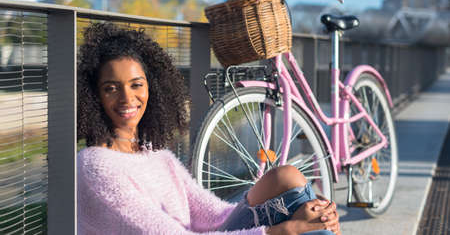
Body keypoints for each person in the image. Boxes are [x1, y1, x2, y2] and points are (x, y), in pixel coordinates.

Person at [77, 22, 340, 235]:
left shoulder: (154, 154)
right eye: (111, 88)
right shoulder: (97, 166)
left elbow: (214, 215)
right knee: (303, 228)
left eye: (136, 85)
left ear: (151, 88)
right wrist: (280, 231)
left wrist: (318, 212)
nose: (126, 98)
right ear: (94, 96)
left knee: (287, 178)